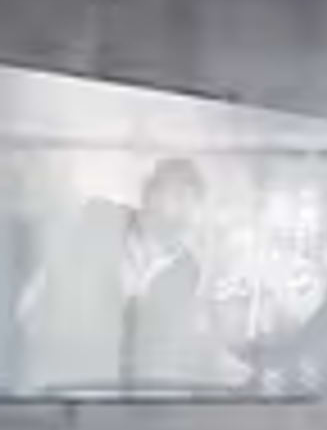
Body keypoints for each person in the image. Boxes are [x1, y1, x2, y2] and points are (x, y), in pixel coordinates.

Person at [15, 156, 235, 392]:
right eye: (178, 195)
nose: (185, 209)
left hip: (130, 397)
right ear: (149, 193)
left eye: (193, 200)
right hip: (64, 381)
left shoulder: (186, 269)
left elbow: (172, 339)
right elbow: (37, 290)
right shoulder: (100, 219)